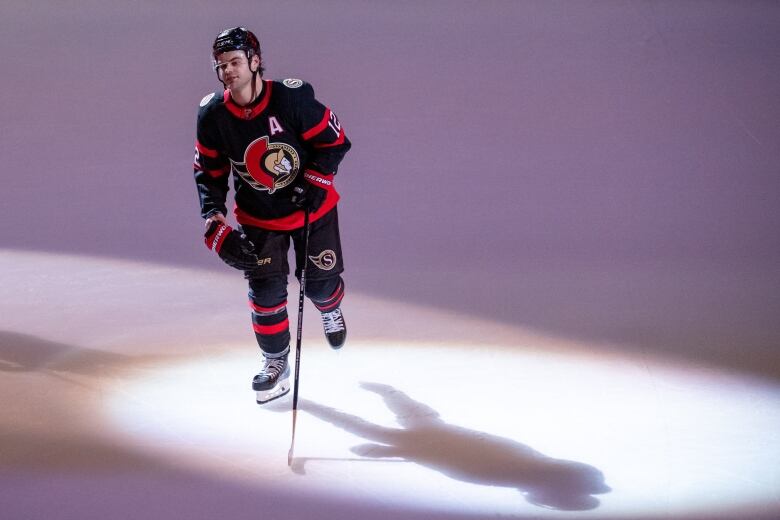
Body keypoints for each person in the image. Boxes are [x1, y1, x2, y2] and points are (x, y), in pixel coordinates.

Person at [193, 27, 351, 404]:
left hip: (312, 210)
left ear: (255, 60)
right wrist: (214, 222)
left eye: (234, 62)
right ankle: (275, 361)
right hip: (259, 218)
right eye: (221, 65)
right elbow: (208, 173)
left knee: (319, 285)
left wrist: (315, 180)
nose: (228, 71)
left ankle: (330, 308)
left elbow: (335, 141)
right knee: (265, 296)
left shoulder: (293, 99)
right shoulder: (213, 115)